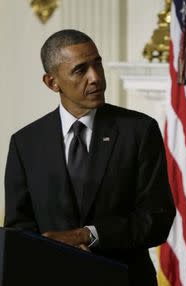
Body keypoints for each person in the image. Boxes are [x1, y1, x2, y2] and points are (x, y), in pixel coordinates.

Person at [4, 29, 175, 286]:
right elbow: (18, 231)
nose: (95, 77)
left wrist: (87, 235)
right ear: (52, 82)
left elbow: (156, 218)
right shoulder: (25, 142)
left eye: (98, 64)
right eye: (80, 70)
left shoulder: (139, 130)